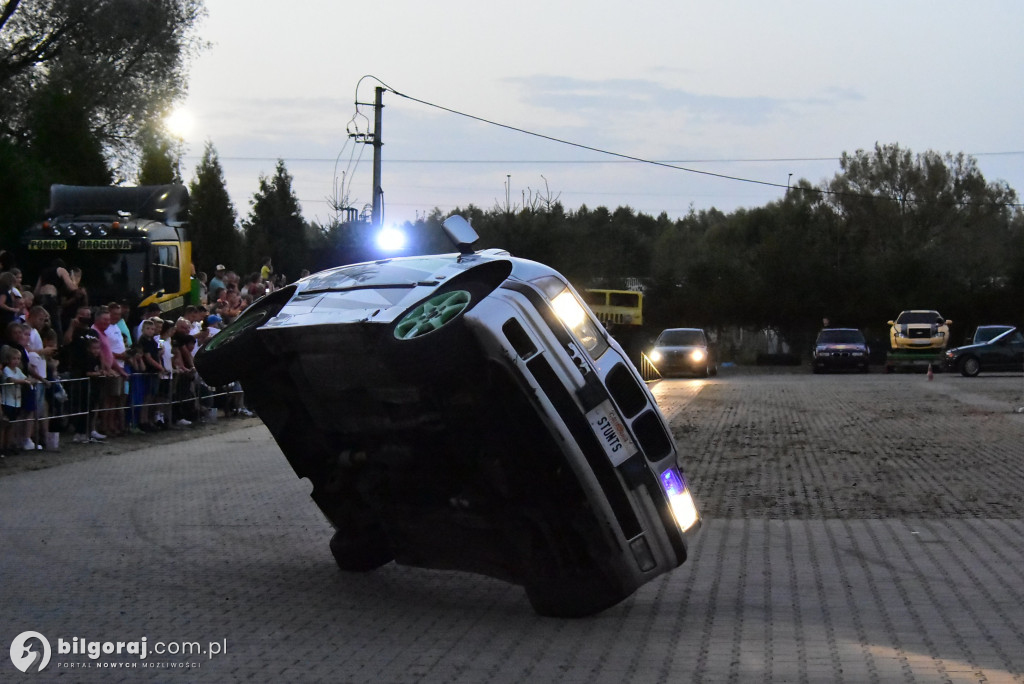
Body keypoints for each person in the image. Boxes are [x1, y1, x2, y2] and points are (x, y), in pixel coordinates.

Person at [1, 344, 33, 456]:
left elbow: (25, 377)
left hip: (16, 401)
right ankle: (2, 447)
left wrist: (30, 380)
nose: (16, 361)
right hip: (7, 401)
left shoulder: (18, 370)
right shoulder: (6, 370)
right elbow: (11, 379)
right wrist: (24, 382)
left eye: (18, 359)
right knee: (5, 425)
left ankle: (9, 445)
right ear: (8, 360)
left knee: (12, 424)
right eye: (14, 359)